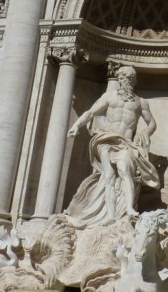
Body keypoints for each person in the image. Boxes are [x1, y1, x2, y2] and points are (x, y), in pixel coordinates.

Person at [66, 66, 160, 228]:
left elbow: (152, 123)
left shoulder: (140, 102)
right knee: (109, 175)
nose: (127, 81)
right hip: (107, 140)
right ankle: (110, 214)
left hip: (125, 143)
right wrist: (76, 125)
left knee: (125, 171)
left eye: (130, 78)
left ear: (135, 81)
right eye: (124, 77)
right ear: (119, 79)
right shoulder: (109, 97)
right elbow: (90, 113)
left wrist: (143, 134)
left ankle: (129, 208)